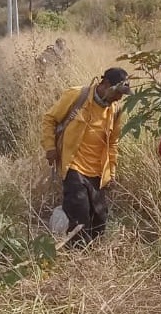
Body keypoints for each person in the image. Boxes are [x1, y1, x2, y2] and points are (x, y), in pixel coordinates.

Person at [41, 67, 131, 244]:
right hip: (74, 166)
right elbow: (49, 119)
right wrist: (50, 147)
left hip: (98, 171)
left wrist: (111, 171)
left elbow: (113, 143)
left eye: (122, 94)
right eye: (117, 92)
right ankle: (75, 257)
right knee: (80, 218)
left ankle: (89, 254)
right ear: (105, 85)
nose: (119, 98)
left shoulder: (116, 110)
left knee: (99, 220)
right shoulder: (77, 96)